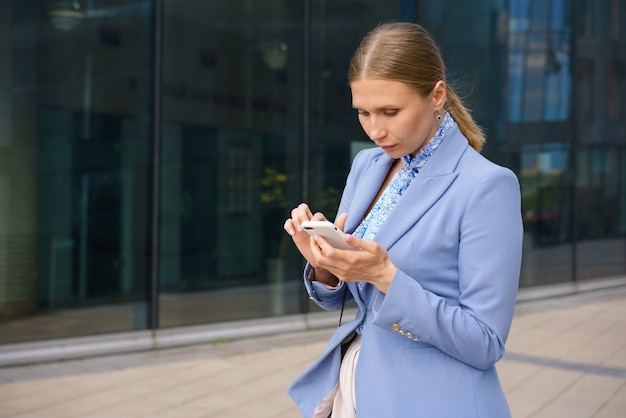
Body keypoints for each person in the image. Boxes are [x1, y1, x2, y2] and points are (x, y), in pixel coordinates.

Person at [283, 22, 522, 418]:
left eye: (390, 112)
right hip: (357, 387)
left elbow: (486, 341)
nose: (375, 130)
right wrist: (326, 267)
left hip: (436, 402)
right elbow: (351, 297)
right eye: (363, 112)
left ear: (437, 95)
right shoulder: (367, 165)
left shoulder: (488, 186)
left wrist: (385, 276)